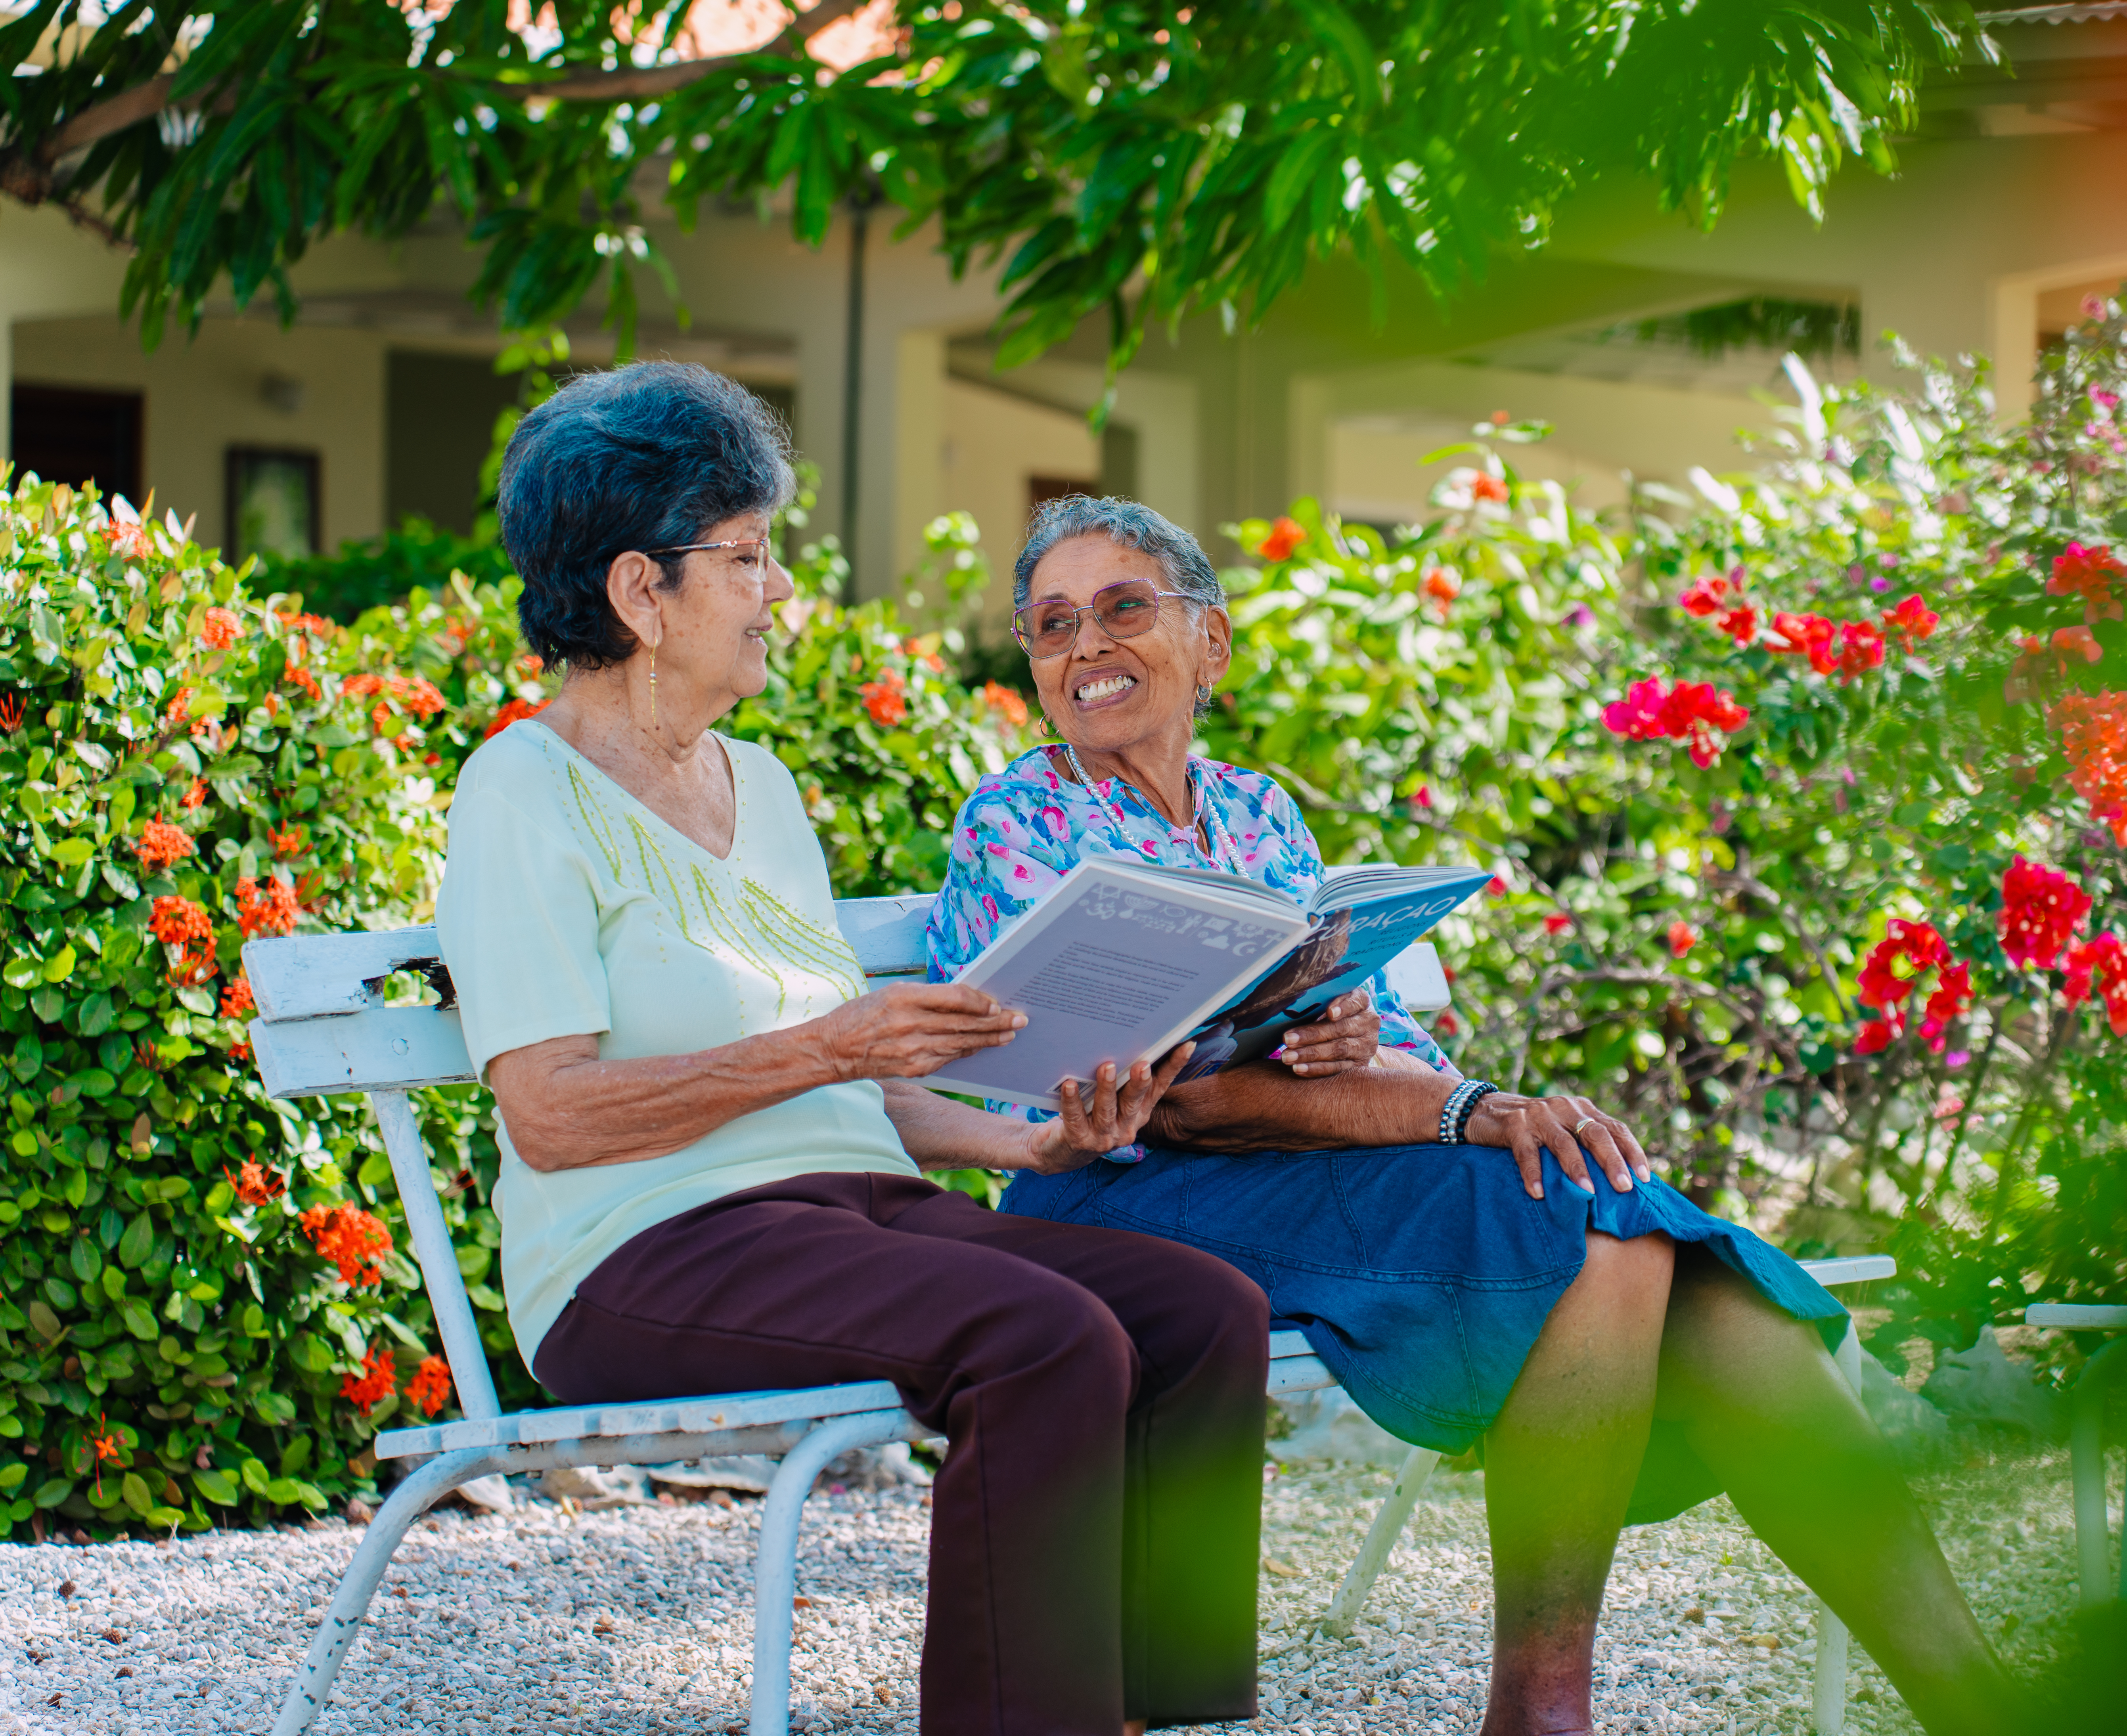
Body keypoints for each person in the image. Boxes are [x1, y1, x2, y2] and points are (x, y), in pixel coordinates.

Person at [914, 496, 2023, 1736]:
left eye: (1123, 607)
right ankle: (1545, 1709)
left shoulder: (1259, 812)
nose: (1084, 647)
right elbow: (1155, 1099)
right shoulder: (1019, 817)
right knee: (1583, 1203)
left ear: (1209, 645)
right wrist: (1464, 1109)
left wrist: (1353, 1039)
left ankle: (1971, 1701)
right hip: (1118, 1189)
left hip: (1291, 1163)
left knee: (1684, 1267)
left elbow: (1372, 1031)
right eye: (1052, 624)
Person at [436, 366, 1264, 1736]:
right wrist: (825, 1044)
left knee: (1202, 1313)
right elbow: (553, 1117)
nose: (777, 590)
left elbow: (858, 1077)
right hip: (644, 1252)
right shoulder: (521, 793)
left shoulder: (756, 786)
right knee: (1043, 1339)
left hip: (849, 1218)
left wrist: (1034, 1141)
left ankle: (1145, 1715)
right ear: (642, 593)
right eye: (750, 557)